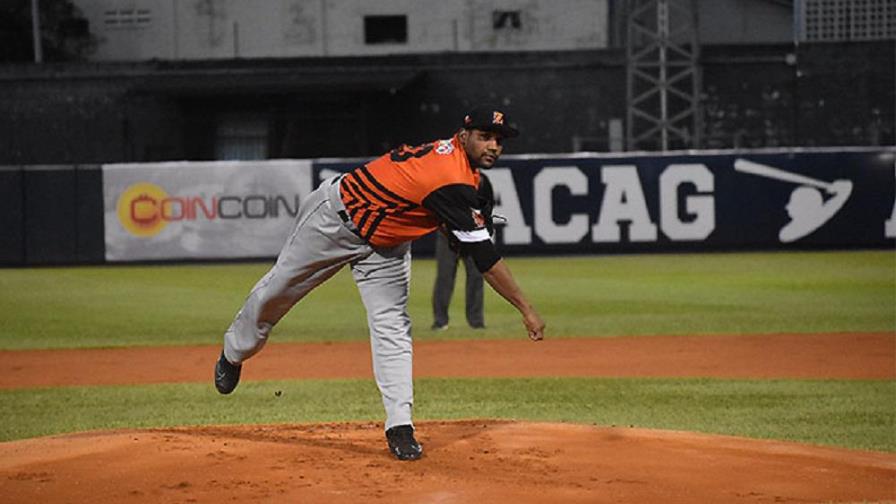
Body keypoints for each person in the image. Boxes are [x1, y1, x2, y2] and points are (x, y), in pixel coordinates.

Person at [214, 105, 545, 461]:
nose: (493, 146)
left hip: (386, 244)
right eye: (484, 137)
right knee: (276, 292)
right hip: (334, 223)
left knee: (393, 325)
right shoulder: (448, 176)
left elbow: (462, 218)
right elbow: (484, 258)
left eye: (498, 140)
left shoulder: (469, 179)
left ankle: (400, 426)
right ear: (463, 136)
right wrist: (526, 309)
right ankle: (234, 352)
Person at [431, 171, 493, 330]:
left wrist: (485, 230)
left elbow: (487, 206)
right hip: (448, 234)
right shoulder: (447, 178)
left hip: (473, 234)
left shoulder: (482, 180)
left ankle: (476, 321)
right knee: (445, 276)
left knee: (476, 276)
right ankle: (440, 321)